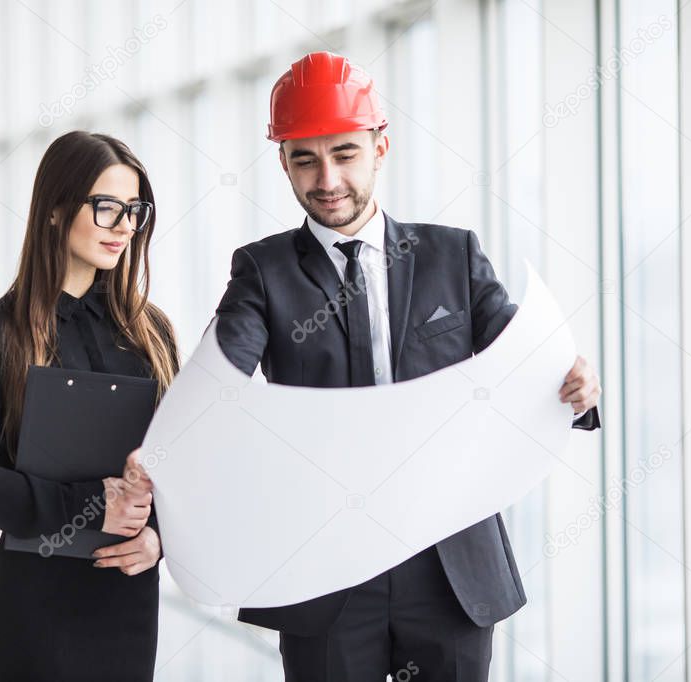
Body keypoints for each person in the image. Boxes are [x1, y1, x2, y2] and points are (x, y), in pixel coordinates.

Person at [214, 52, 602, 681]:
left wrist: (576, 386)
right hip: (324, 567)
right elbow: (222, 374)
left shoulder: (453, 254)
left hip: (447, 562)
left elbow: (528, 363)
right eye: (305, 159)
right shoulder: (262, 271)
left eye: (344, 153)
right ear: (281, 160)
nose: (327, 178)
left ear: (379, 146)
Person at [0, 131, 178, 681]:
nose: (124, 227)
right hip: (36, 603)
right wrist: (89, 505)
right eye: (107, 207)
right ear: (57, 210)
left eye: (134, 210)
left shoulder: (151, 335)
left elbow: (186, 462)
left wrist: (162, 536)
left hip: (128, 599)